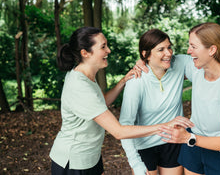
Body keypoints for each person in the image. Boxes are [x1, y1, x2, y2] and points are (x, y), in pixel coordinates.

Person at [49, 27, 193, 175]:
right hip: (73, 160)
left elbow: (101, 102)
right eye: (103, 47)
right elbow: (119, 131)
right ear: (85, 53)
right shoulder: (79, 85)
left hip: (90, 156)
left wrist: (123, 81)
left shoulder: (86, 75)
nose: (108, 50)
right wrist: (165, 126)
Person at [157, 22, 220, 175]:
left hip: (218, 152)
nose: (189, 51)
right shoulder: (196, 67)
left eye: (193, 46)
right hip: (193, 144)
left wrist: (188, 137)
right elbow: (160, 58)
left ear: (212, 50)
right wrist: (141, 61)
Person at [119, 29, 194, 175]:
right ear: (145, 54)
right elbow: (125, 124)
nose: (169, 53)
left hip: (172, 140)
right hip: (144, 145)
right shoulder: (136, 81)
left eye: (169, 47)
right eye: (161, 49)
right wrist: (135, 162)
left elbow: (205, 61)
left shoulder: (180, 63)